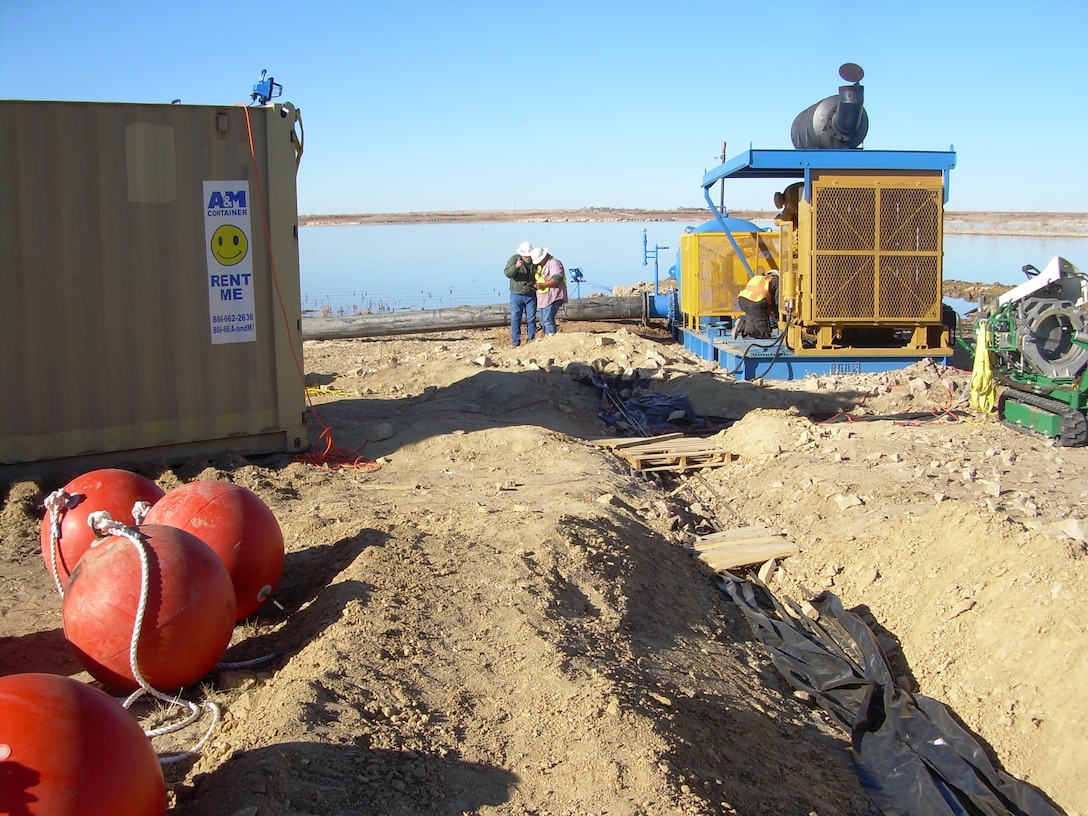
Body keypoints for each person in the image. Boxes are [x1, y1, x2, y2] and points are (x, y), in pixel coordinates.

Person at [504, 241, 537, 346]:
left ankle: (531, 340)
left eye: (529, 255)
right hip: (516, 294)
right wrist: (516, 267)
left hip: (531, 294)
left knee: (531, 318)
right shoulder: (514, 259)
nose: (528, 257)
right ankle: (516, 341)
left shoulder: (535, 260)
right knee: (515, 318)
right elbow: (507, 273)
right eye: (526, 256)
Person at [530, 247, 568, 335]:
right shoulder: (541, 266)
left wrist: (542, 285)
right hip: (544, 298)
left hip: (554, 296)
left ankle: (551, 337)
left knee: (548, 320)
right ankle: (548, 337)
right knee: (543, 321)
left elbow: (557, 278)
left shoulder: (554, 263)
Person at [736, 269, 779, 339]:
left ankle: (746, 325)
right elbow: (776, 301)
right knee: (764, 334)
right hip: (755, 302)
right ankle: (744, 326)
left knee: (758, 315)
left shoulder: (759, 279)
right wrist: (778, 316)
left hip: (742, 301)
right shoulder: (776, 281)